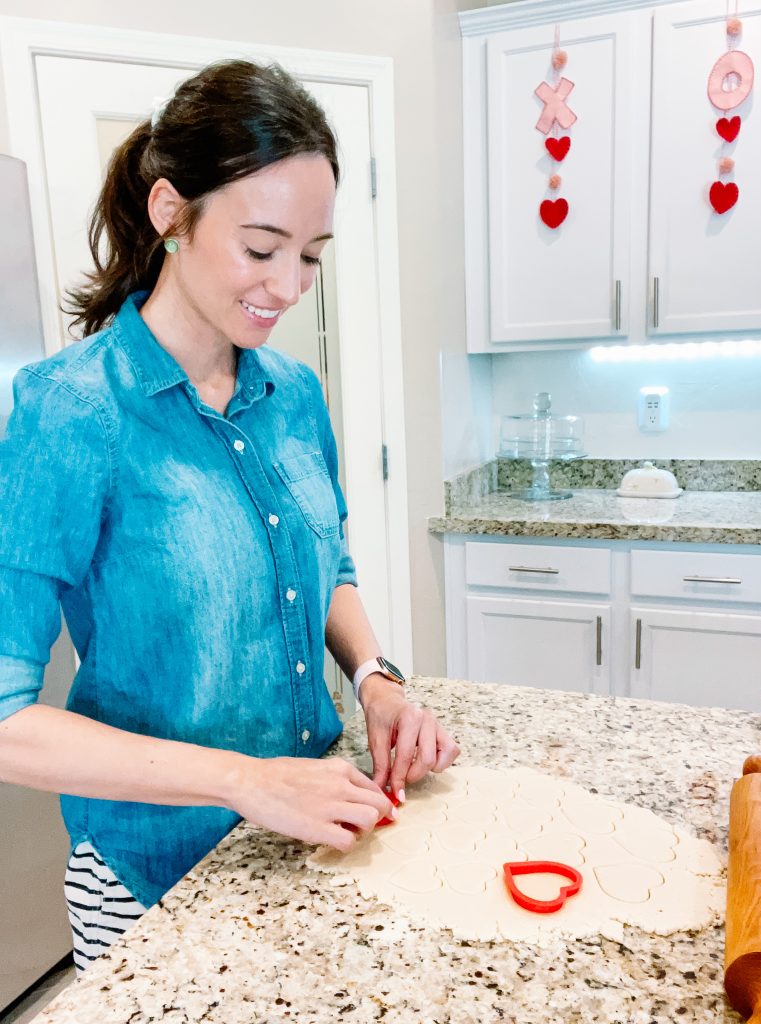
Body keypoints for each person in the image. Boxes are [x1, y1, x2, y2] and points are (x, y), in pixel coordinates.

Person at [0, 59, 460, 973]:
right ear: (170, 210)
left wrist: (376, 679)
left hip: (310, 847)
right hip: (150, 879)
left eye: (312, 255)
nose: (290, 287)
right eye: (261, 248)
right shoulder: (70, 412)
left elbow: (323, 562)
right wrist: (246, 782)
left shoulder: (294, 393)